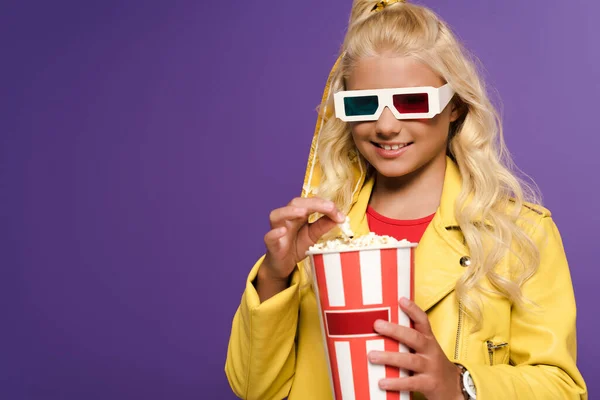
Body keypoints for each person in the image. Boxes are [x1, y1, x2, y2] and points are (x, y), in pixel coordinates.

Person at [224, 0, 588, 399]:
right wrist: (275, 277)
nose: (385, 126)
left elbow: (562, 389)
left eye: (412, 101)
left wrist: (460, 384)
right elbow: (252, 389)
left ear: (455, 106)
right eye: (363, 104)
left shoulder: (520, 234)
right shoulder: (316, 238)